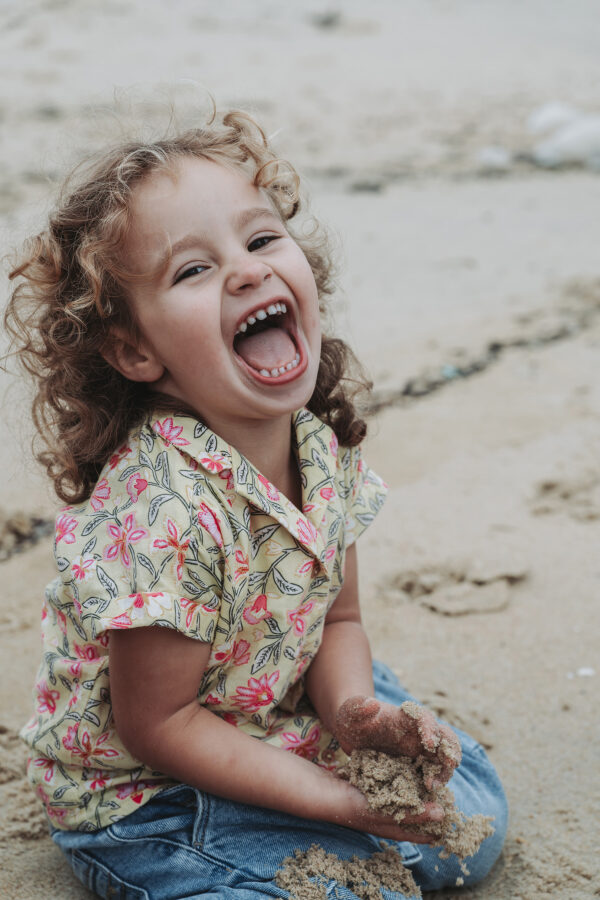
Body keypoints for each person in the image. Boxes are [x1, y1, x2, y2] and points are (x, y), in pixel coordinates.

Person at [7, 109, 507, 899]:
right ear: (136, 350)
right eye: (192, 271)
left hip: (270, 712)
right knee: (344, 887)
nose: (246, 272)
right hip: (150, 794)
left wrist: (351, 711)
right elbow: (159, 727)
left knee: (470, 825)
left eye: (261, 239)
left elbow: (338, 621)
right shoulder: (162, 512)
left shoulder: (317, 447)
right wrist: (342, 804)